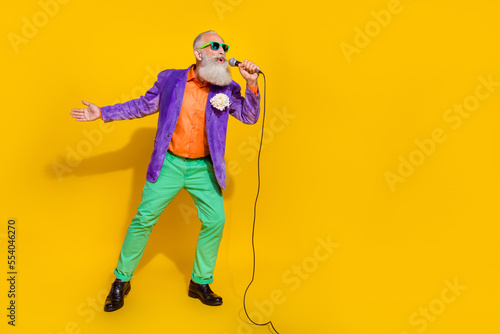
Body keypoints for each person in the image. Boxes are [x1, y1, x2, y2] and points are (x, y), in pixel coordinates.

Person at [70, 30, 261, 311]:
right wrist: (103, 112)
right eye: (215, 46)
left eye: (225, 47)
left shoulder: (227, 87)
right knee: (144, 219)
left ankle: (200, 281)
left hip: (204, 168)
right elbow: (142, 105)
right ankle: (121, 280)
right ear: (198, 53)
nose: (222, 51)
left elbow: (249, 116)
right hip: (169, 164)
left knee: (215, 221)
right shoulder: (171, 79)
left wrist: (252, 85)